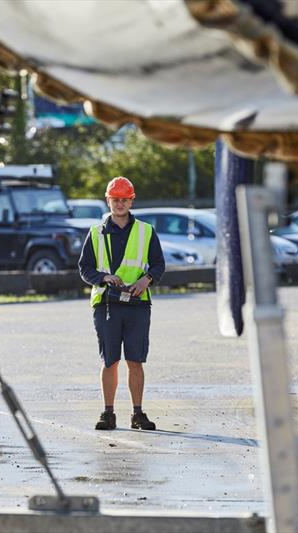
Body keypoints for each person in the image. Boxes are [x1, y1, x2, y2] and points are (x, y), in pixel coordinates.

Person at [78, 176, 165, 431]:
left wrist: (146, 281)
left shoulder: (146, 231)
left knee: (136, 360)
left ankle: (138, 414)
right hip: (107, 303)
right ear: (108, 200)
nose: (119, 204)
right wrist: (103, 277)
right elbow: (84, 269)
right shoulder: (95, 233)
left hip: (138, 303)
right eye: (115, 199)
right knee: (110, 361)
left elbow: (158, 264)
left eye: (124, 199)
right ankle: (108, 413)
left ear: (131, 201)